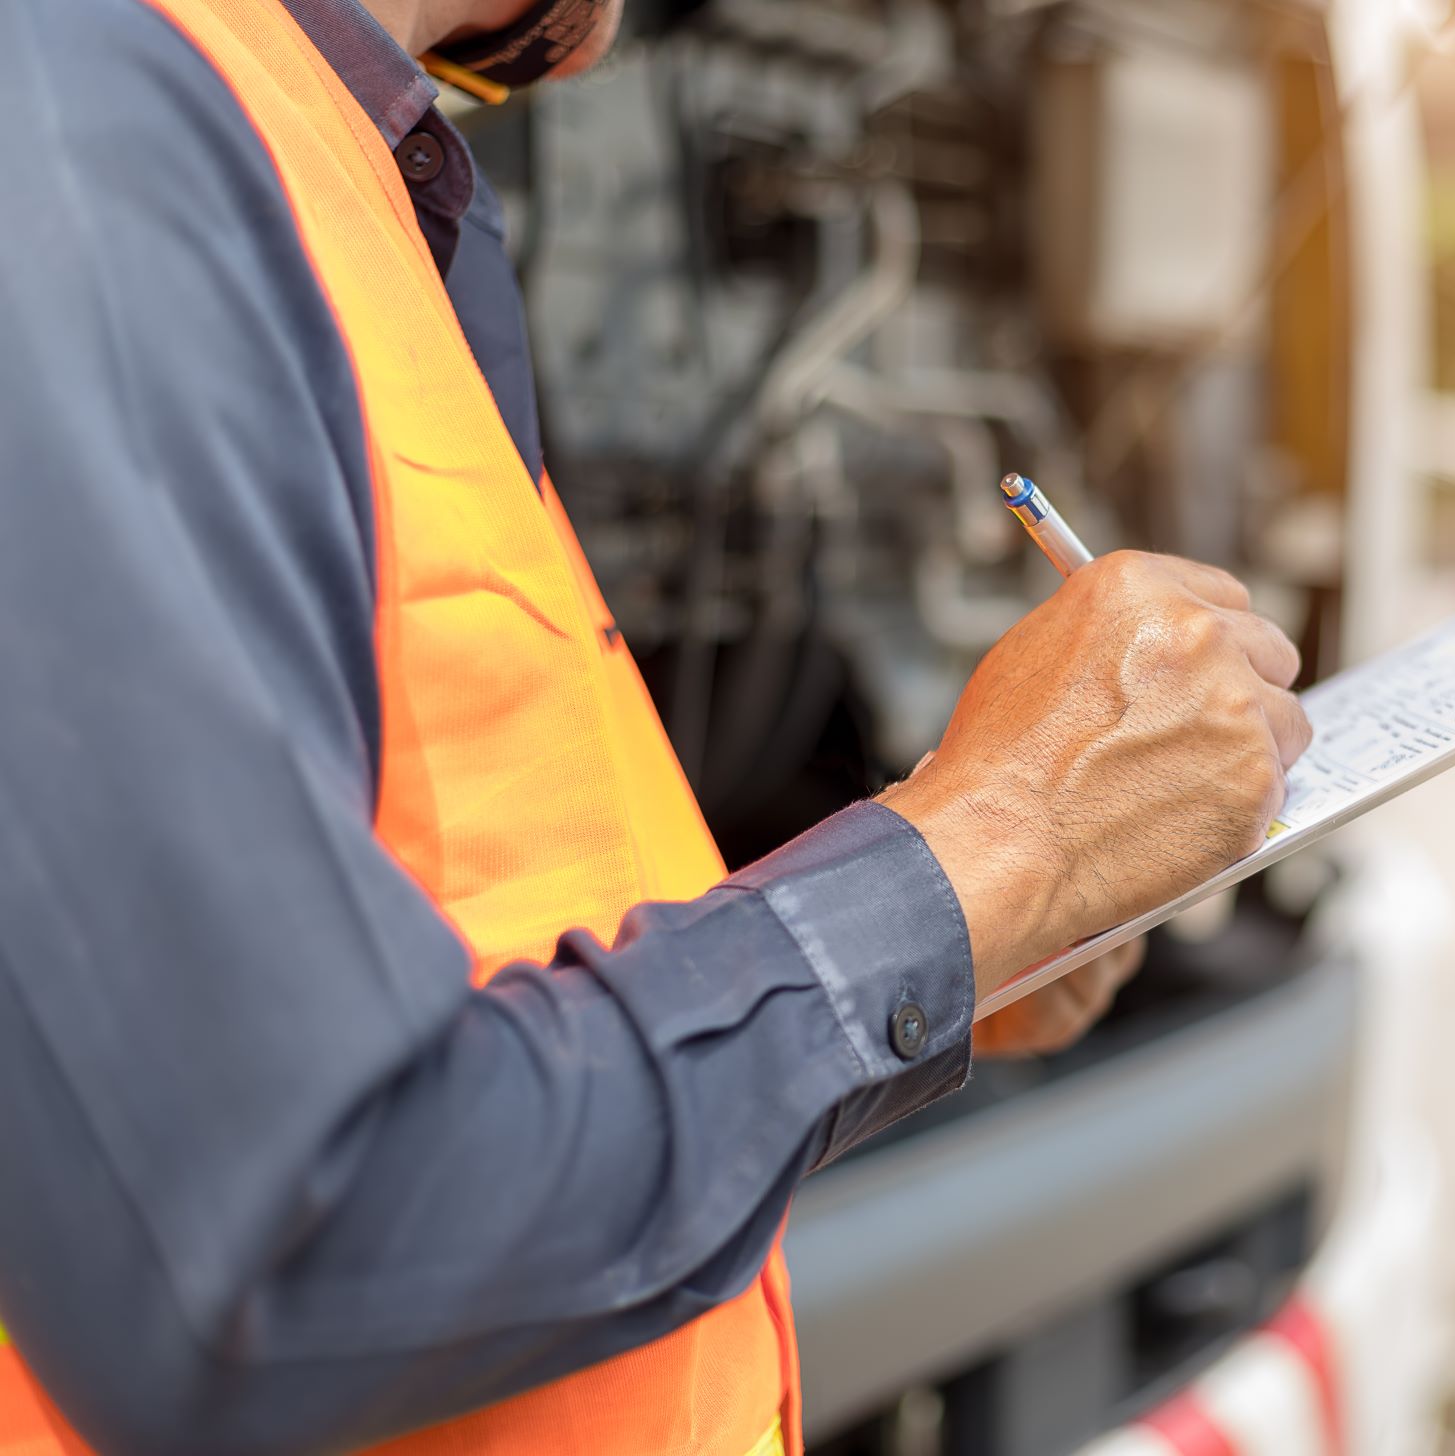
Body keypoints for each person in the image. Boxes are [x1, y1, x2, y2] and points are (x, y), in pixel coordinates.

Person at [0, 0, 1312, 1450]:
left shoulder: (340, 164)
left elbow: (472, 927)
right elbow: (280, 1253)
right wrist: (988, 850)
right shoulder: (69, 108)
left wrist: (967, 926)